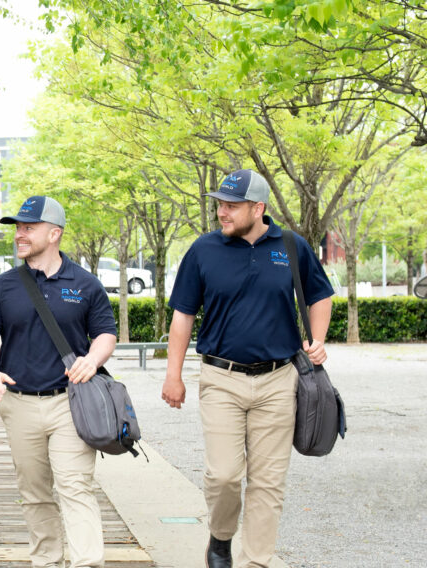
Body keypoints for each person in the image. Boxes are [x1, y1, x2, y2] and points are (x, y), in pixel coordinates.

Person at [161, 169, 333, 568]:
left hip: (279, 379)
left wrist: (319, 339)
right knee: (223, 476)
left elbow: (319, 294)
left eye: (231, 206)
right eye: (219, 204)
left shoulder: (291, 246)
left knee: (268, 483)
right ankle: (221, 539)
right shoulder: (203, 250)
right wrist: (173, 375)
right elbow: (183, 316)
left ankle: (257, 560)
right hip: (221, 379)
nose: (222, 212)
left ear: (259, 208)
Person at [0, 196, 117, 568]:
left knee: (74, 486)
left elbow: (106, 334)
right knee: (35, 493)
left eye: (28, 228)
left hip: (71, 402)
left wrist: (93, 359)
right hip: (19, 404)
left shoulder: (86, 285)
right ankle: (47, 561)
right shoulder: (1, 288)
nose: (19, 235)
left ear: (54, 233)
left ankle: (87, 562)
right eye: (18, 227)